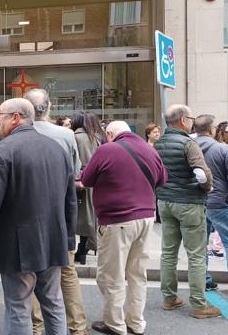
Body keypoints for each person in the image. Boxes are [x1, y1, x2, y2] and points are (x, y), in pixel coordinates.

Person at [0, 98, 77, 335]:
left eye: (1, 116)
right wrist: (69, 238)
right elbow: (70, 200)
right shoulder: (56, 148)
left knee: (18, 306)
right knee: (53, 303)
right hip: (53, 240)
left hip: (17, 245)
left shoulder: (3, 151)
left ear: (16, 117)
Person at [80, 121, 168, 335]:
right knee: (138, 274)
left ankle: (115, 323)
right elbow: (162, 179)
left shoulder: (106, 149)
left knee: (112, 275)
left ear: (110, 134)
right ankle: (136, 323)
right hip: (146, 218)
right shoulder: (149, 148)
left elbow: (86, 179)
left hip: (116, 220)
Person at [24, 89, 86, 335]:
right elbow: (74, 172)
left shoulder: (20, 134)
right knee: (67, 271)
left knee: (33, 271)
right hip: (60, 212)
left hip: (29, 213)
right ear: (49, 107)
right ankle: (77, 326)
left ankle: (37, 327)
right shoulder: (66, 135)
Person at [154, 104, 220, 318]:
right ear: (183, 120)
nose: (192, 121)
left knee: (168, 253)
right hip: (190, 203)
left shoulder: (158, 143)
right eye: (190, 118)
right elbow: (202, 173)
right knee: (196, 255)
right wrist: (207, 187)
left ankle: (169, 298)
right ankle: (200, 305)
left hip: (165, 202)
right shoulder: (188, 144)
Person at [194, 115, 228, 297]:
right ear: (212, 130)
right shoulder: (222, 149)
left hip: (198, 202)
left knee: (200, 245)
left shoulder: (190, 148)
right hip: (221, 202)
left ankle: (204, 280)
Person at [71, 111, 104, 265]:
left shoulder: (76, 137)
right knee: (88, 217)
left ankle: (78, 251)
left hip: (77, 181)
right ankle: (83, 249)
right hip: (92, 181)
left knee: (75, 217)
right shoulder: (95, 137)